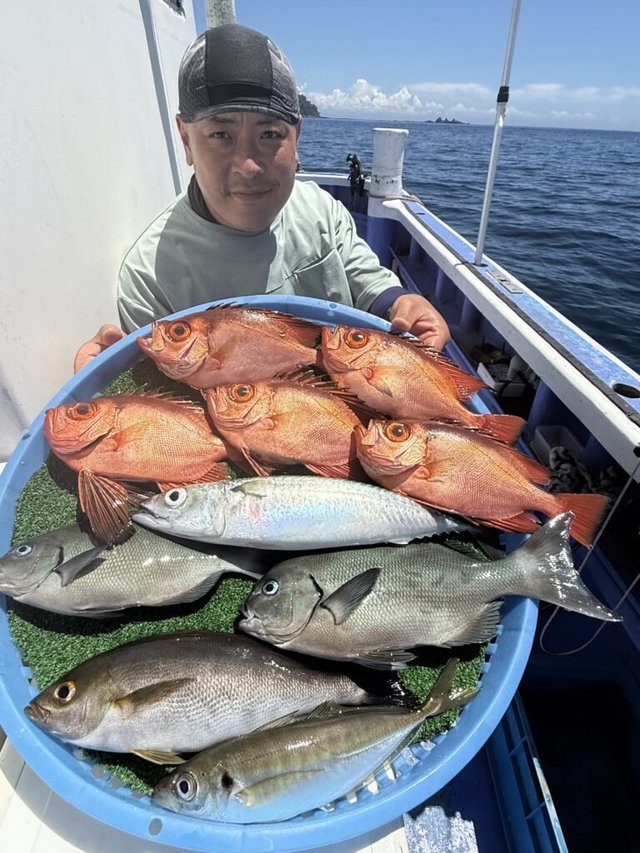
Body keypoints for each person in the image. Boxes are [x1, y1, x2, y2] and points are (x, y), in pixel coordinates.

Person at [74, 23, 450, 372]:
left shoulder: (321, 212)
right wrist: (119, 383)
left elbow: (369, 285)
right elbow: (167, 406)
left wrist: (403, 305)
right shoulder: (149, 278)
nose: (248, 166)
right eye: (220, 136)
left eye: (270, 134)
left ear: (296, 137)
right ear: (186, 140)